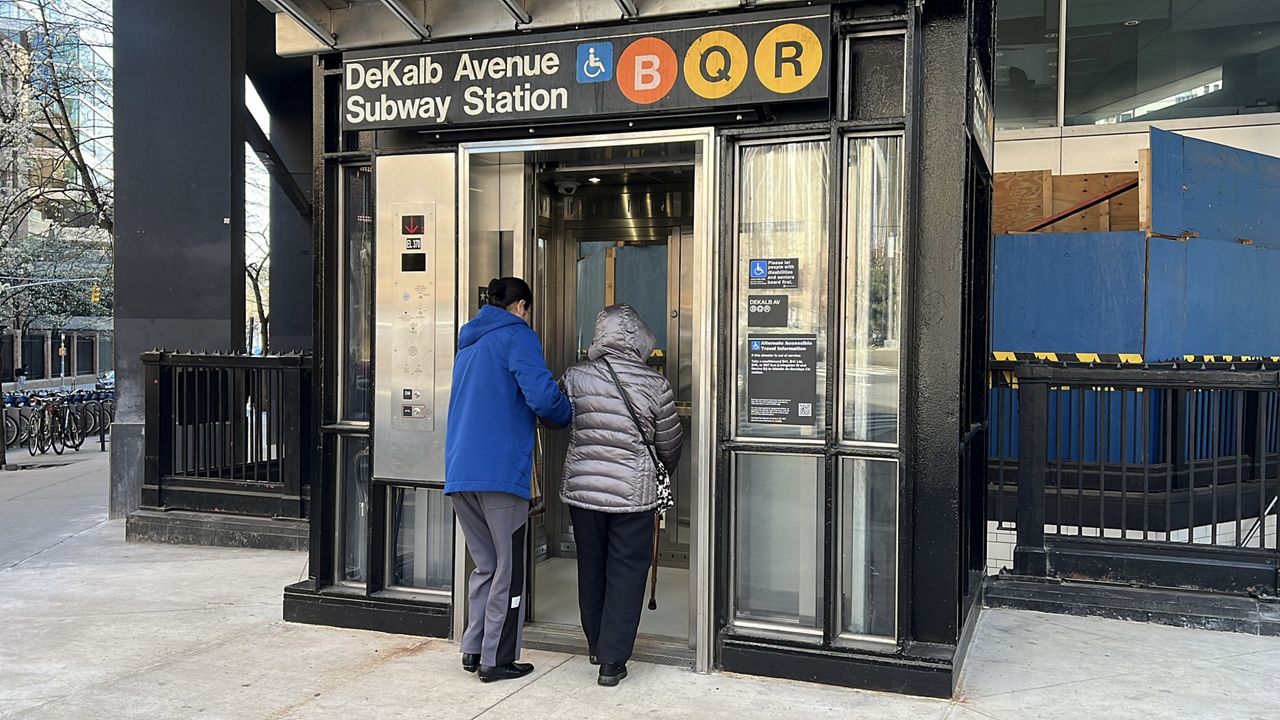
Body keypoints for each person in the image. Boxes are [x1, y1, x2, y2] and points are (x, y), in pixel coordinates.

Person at [445, 277, 572, 683]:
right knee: (509, 569)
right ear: (520, 306)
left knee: (484, 564)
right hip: (500, 472)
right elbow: (541, 394)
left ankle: (473, 647)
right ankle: (495, 659)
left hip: (461, 471)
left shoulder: (469, 342)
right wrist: (564, 414)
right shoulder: (517, 336)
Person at [558, 304, 682, 687]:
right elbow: (669, 443)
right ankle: (612, 662)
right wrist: (661, 470)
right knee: (627, 573)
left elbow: (556, 416)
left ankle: (595, 644)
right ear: (641, 338)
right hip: (634, 494)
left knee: (591, 568)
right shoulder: (654, 383)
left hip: (584, 493)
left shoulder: (575, 376)